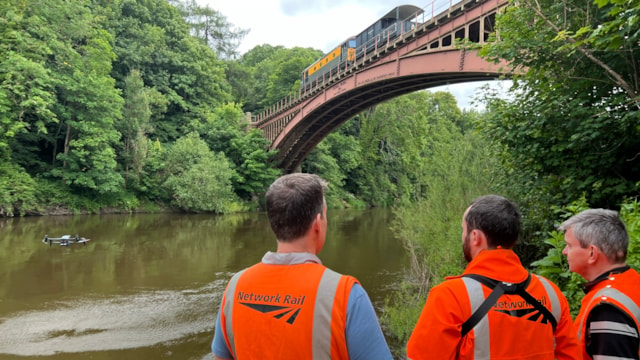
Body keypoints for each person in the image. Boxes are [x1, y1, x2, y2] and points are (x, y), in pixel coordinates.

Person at [211, 173, 393, 360]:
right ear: (317, 224)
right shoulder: (346, 295)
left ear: (274, 222)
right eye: (325, 215)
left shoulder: (235, 287)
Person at [406, 194, 581, 360]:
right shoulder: (551, 293)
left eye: (463, 230)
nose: (462, 236)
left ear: (475, 237)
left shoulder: (450, 296)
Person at [560, 208, 640, 360]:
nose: (564, 252)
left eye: (569, 245)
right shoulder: (632, 282)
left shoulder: (607, 309)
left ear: (592, 253)